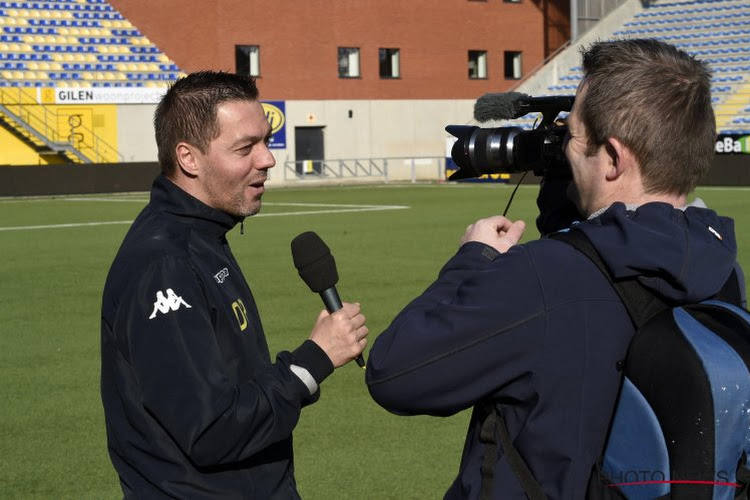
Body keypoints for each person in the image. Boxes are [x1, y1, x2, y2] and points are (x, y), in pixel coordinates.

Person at [366, 38, 742, 499]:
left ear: (614, 159)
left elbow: (394, 372)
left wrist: (472, 260)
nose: (563, 149)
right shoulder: (721, 267)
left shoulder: (545, 276)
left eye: (574, 136)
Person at [100, 71, 368, 499]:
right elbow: (210, 429)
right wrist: (312, 361)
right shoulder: (166, 266)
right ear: (189, 158)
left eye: (265, 141)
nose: (267, 159)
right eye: (245, 148)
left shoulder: (205, 234)